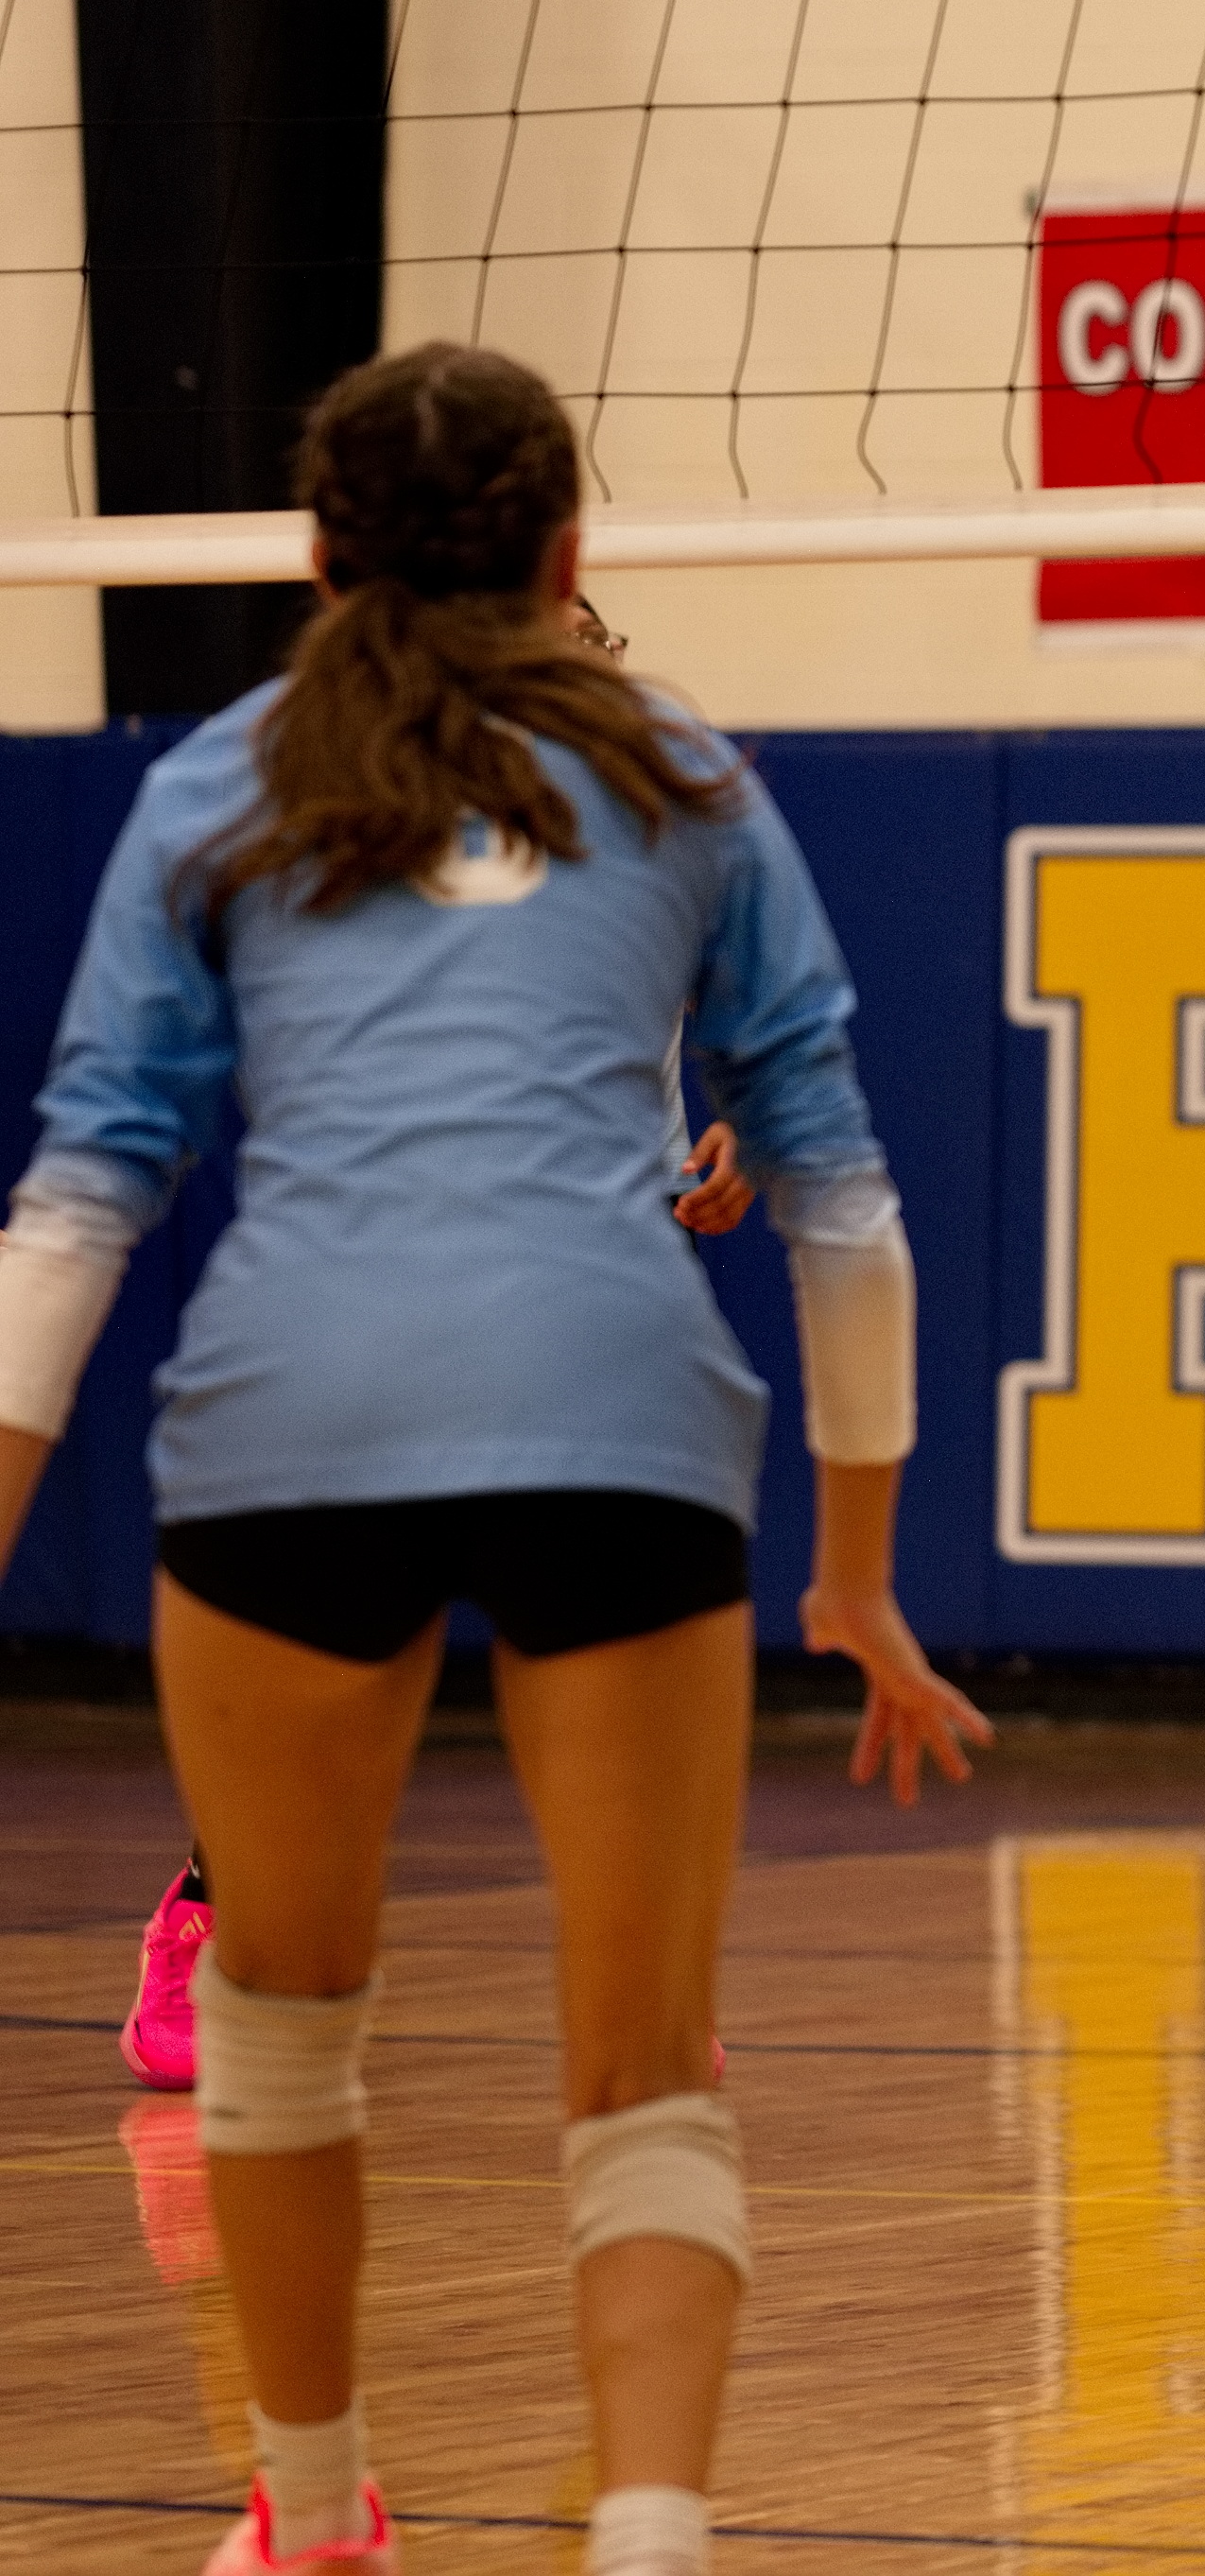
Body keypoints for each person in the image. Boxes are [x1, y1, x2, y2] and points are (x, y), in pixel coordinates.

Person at [0, 344, 990, 2576]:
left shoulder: (210, 791)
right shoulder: (692, 784)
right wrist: (856, 1575)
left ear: (320, 557)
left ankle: (322, 2521)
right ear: (571, 554)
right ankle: (647, 2538)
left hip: (290, 1431)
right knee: (648, 2070)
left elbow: (79, 1209)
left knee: (276, 2029)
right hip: (620, 1419)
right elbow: (844, 1201)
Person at [116, 595, 754, 2097]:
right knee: (317, 1677)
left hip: (581, 1326)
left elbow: (632, 1102)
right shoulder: (351, 851)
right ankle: (211, 1921)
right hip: (368, 1313)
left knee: (616, 1663)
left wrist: (689, 1181)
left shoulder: (639, 860)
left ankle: (649, 1981)